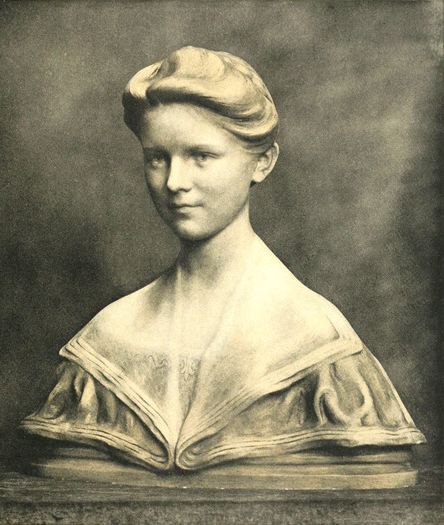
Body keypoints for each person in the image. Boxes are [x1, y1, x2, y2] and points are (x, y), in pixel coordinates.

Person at [21, 46, 424, 474]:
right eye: (157, 158)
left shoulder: (319, 343)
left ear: (262, 162)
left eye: (201, 156)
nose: (175, 182)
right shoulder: (105, 339)